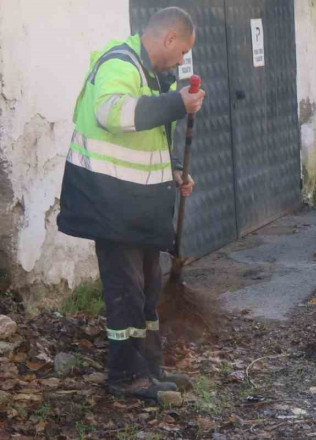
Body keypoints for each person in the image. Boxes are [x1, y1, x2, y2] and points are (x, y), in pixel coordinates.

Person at [57, 7, 206, 401]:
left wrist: (174, 170)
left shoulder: (153, 74)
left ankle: (150, 371)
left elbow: (150, 136)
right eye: (181, 51)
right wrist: (177, 103)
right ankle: (125, 377)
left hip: (135, 205)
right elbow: (112, 112)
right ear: (169, 39)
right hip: (109, 203)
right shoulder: (119, 63)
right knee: (125, 293)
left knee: (147, 289)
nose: (180, 61)